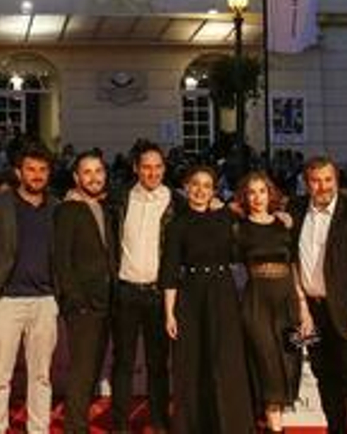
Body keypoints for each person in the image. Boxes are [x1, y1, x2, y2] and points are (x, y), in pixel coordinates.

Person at [159, 165, 252, 434]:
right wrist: (170, 313)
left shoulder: (226, 218)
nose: (200, 190)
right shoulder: (177, 224)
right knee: (193, 363)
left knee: (226, 361)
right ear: (187, 187)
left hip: (223, 294)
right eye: (195, 184)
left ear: (213, 191)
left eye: (207, 185)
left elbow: (260, 217)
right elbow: (169, 270)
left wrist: (283, 214)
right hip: (190, 297)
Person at [291, 157, 347, 434]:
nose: (322, 186)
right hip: (312, 316)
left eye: (328, 179)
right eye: (316, 180)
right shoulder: (295, 210)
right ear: (307, 183)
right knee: (324, 379)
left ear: (336, 180)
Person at [0, 144, 58, 434]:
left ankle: (38, 429)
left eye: (43, 170)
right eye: (31, 169)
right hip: (6, 300)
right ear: (18, 172)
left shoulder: (56, 207)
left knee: (42, 376)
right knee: (0, 375)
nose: (37, 175)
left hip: (46, 301)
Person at [235, 171, 310, 432]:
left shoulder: (285, 225)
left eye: (262, 191)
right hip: (256, 303)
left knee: (290, 360)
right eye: (251, 192)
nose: (257, 197)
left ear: (270, 194)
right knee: (267, 363)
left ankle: (270, 424)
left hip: (287, 300)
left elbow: (295, 265)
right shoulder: (239, 228)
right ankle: (275, 427)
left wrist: (304, 307)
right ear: (245, 197)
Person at [110, 142, 174, 433]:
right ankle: (120, 425)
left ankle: (160, 422)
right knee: (122, 363)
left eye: (158, 167)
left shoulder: (176, 202)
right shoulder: (119, 199)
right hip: (125, 292)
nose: (152, 173)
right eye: (146, 167)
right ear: (136, 168)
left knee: (158, 364)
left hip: (159, 295)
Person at [53, 150, 116, 434]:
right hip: (82, 305)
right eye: (87, 172)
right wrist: (74, 299)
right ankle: (75, 428)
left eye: (98, 171)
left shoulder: (106, 207)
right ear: (76, 177)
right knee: (81, 370)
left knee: (91, 369)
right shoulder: (68, 209)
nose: (93, 177)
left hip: (107, 299)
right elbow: (61, 259)